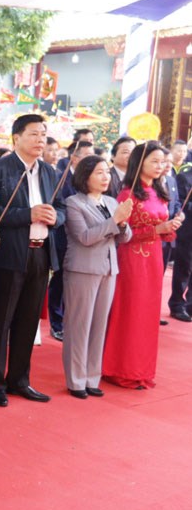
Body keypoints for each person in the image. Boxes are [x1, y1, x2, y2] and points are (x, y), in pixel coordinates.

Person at [0, 113, 65, 407]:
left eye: (43, 134)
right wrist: (28, 214)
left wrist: (55, 217)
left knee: (29, 321)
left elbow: (61, 207)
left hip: (41, 253)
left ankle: (19, 380)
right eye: (34, 134)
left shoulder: (50, 171)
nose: (41, 139)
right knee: (2, 320)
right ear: (16, 138)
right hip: (8, 255)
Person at [103, 142, 183, 389]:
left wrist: (170, 228)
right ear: (140, 163)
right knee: (130, 312)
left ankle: (141, 369)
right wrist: (156, 230)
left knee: (147, 315)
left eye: (162, 162)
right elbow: (119, 233)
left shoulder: (159, 192)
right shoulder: (127, 195)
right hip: (132, 260)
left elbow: (162, 231)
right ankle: (120, 369)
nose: (160, 166)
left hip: (154, 259)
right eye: (154, 161)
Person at [62, 155, 132, 399]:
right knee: (79, 326)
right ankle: (76, 380)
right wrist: (115, 221)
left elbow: (125, 237)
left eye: (107, 172)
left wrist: (121, 224)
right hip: (82, 269)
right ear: (85, 176)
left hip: (109, 268)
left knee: (99, 325)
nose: (105, 177)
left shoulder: (112, 202)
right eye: (99, 172)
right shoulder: (73, 203)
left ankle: (92, 377)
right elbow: (85, 237)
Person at [48, 140, 95, 341]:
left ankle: (73, 321)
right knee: (60, 281)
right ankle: (56, 322)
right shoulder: (61, 179)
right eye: (86, 155)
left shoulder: (92, 180)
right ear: (74, 158)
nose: (91, 159)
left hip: (86, 240)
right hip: (63, 237)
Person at [170, 165, 192, 321]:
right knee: (184, 267)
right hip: (187, 231)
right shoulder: (185, 177)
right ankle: (177, 303)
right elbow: (179, 204)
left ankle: (190, 304)